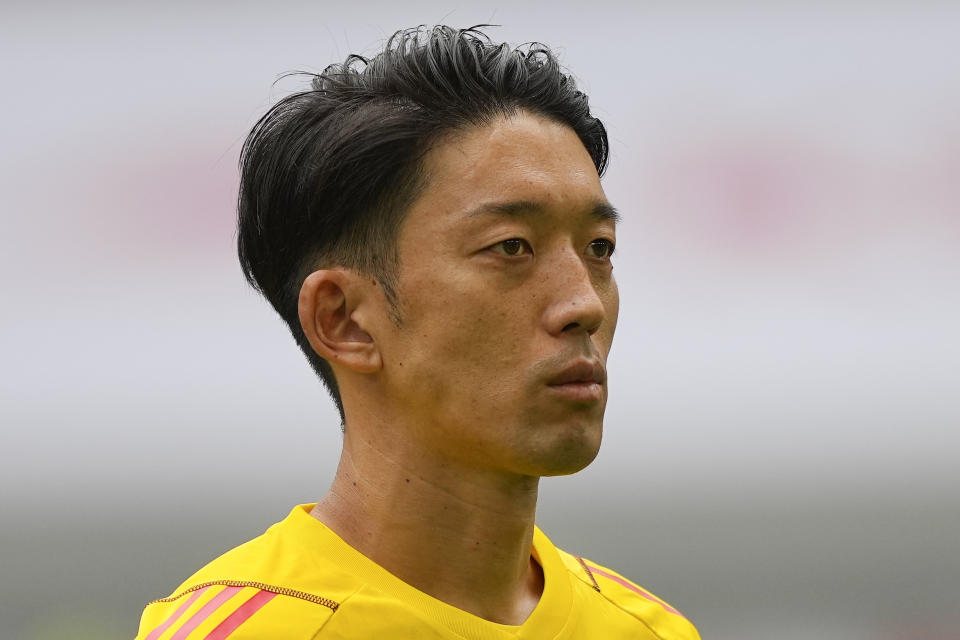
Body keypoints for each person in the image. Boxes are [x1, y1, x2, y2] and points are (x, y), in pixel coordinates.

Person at [134, 25, 701, 640]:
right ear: (343, 319)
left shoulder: (649, 628)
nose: (583, 303)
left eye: (598, 247)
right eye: (511, 247)